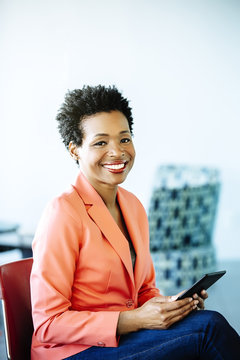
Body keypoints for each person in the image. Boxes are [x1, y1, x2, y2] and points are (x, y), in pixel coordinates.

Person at [30, 85, 240, 360]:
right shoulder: (63, 212)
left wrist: (170, 305)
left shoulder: (132, 205)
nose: (117, 152)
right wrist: (136, 319)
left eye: (125, 139)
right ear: (75, 150)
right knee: (208, 331)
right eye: (100, 142)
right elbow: (48, 324)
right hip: (74, 352)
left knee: (204, 322)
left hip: (127, 340)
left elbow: (143, 291)